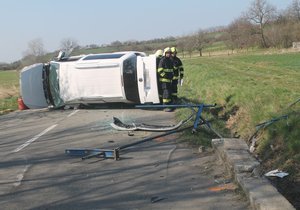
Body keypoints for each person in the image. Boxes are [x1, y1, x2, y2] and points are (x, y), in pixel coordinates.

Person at [157, 47, 174, 111]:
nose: (169, 54)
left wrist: (172, 75)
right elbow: (160, 70)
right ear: (165, 53)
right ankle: (165, 106)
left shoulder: (169, 60)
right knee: (166, 93)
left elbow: (171, 70)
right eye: (167, 53)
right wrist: (165, 76)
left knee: (169, 93)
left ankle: (169, 104)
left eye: (170, 53)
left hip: (169, 80)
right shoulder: (162, 60)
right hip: (164, 81)